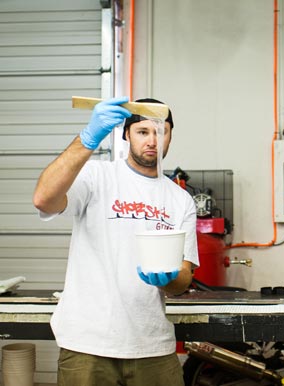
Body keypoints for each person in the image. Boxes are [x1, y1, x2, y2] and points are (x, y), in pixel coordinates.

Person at [33, 96, 198, 386]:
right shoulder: (96, 176)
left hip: (152, 346)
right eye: (142, 131)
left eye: (161, 132)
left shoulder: (180, 200)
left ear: (171, 136)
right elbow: (44, 200)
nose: (152, 140)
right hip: (88, 345)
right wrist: (88, 139)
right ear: (125, 135)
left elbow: (184, 278)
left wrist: (169, 279)